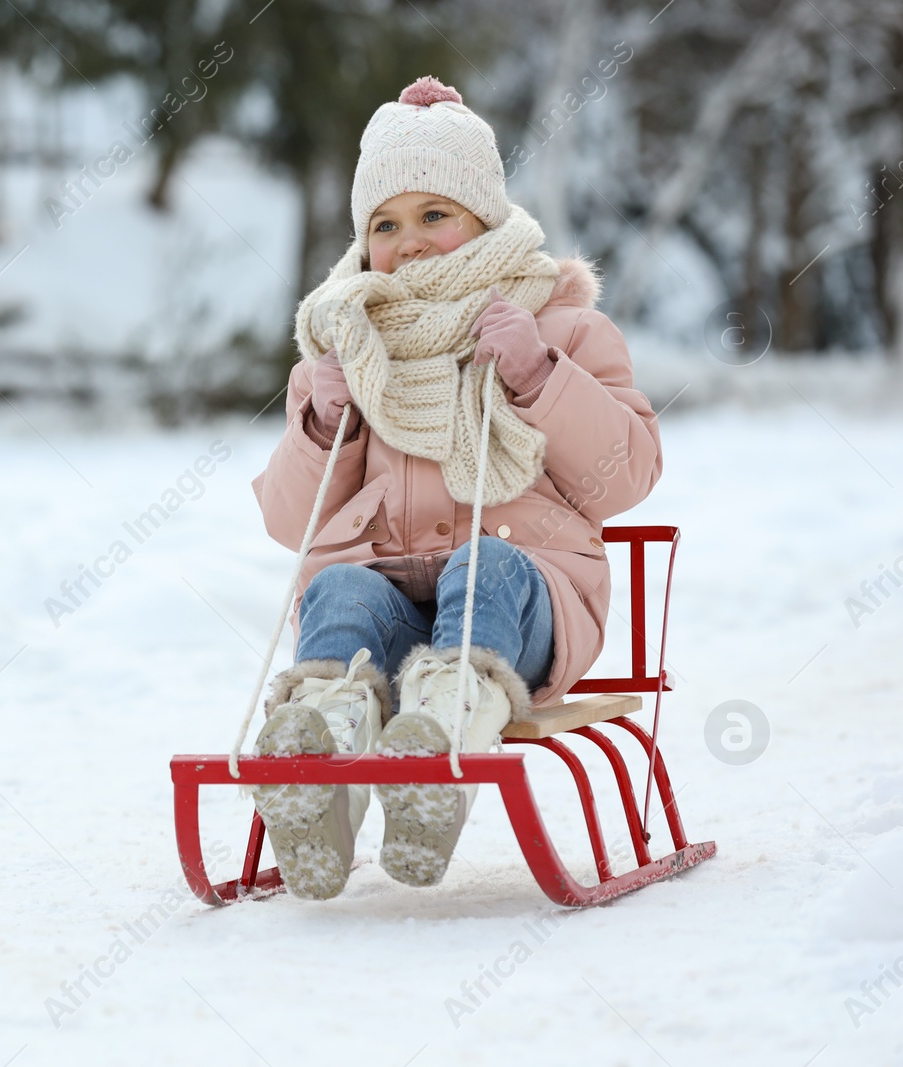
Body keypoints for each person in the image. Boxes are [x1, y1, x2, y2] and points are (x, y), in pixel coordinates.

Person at [248, 75, 663, 900]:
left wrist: (540, 375)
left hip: (523, 602)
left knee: (486, 568)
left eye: (435, 214)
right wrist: (325, 426)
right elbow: (290, 521)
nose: (409, 242)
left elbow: (629, 475)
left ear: (486, 219)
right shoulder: (346, 353)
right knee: (334, 588)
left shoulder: (562, 329)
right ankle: (320, 777)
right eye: (386, 225)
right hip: (394, 614)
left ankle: (433, 761)